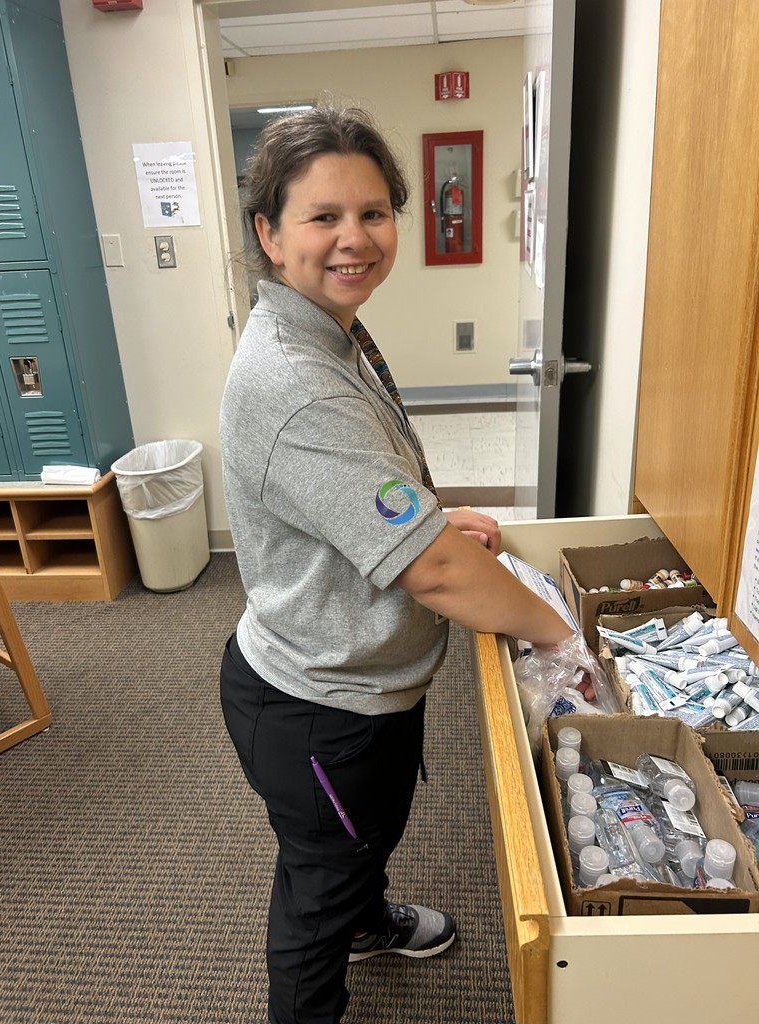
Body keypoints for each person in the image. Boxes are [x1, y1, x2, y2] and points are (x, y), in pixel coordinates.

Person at [219, 106, 575, 1024]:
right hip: (321, 705)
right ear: (268, 231)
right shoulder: (297, 380)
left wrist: (427, 514)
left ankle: (369, 919)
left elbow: (363, 491)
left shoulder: (326, 334)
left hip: (347, 678)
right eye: (323, 216)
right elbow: (437, 576)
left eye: (374, 213)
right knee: (319, 885)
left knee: (355, 843)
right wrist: (559, 636)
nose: (355, 239)